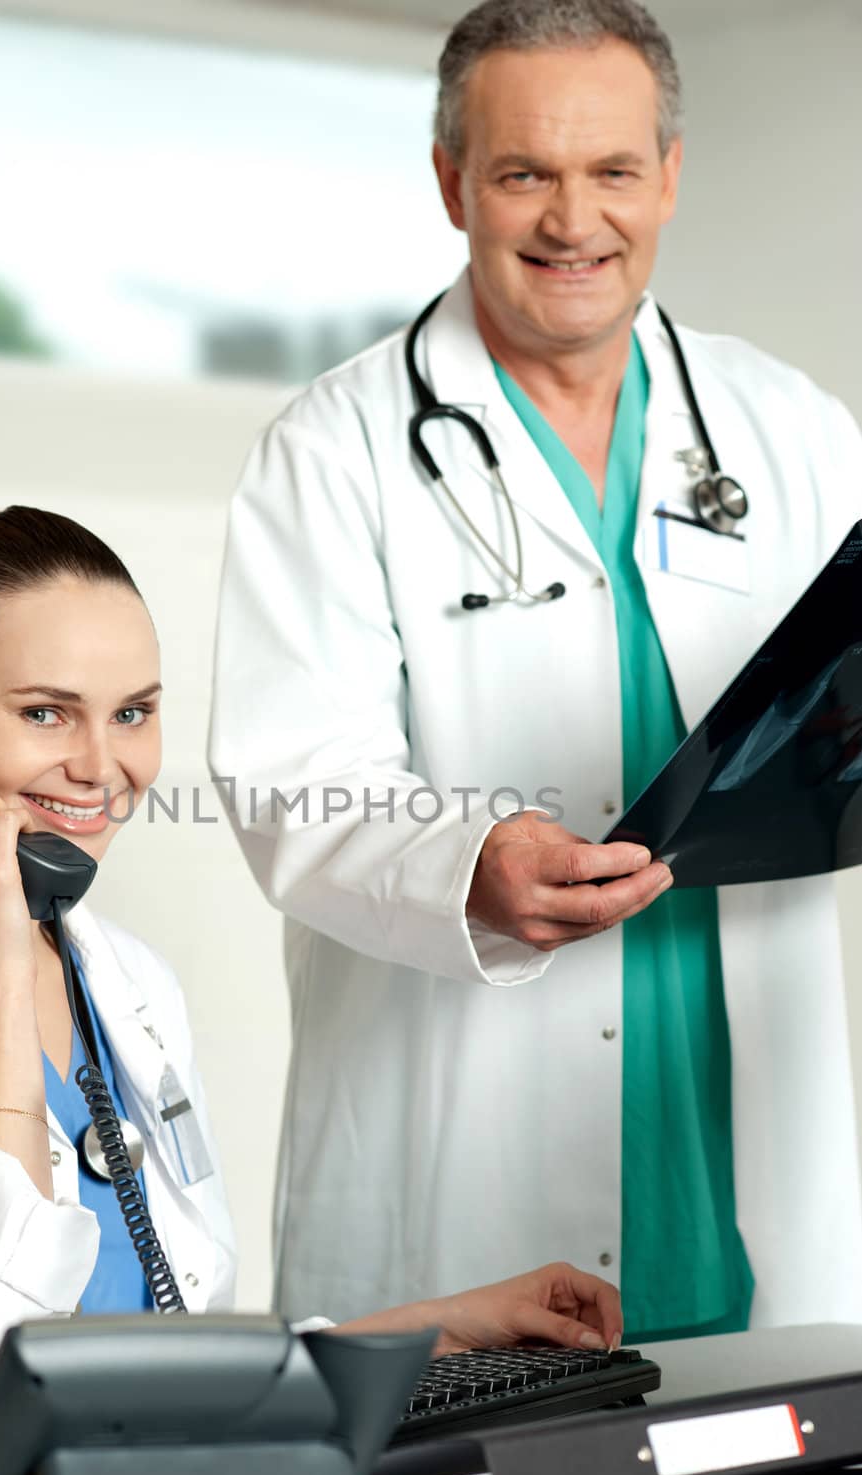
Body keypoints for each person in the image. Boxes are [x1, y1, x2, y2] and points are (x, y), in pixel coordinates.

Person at [208, 0, 862, 1335]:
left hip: (733, 1142)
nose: (576, 221)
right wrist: (469, 863)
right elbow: (289, 785)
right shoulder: (335, 451)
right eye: (525, 174)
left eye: (613, 170)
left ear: (669, 176)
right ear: (453, 184)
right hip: (463, 1177)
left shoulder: (789, 429)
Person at [0, 506, 621, 1442]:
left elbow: (163, 1348)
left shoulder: (129, 984)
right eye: (44, 712)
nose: (103, 769)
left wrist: (430, 1333)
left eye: (133, 714)